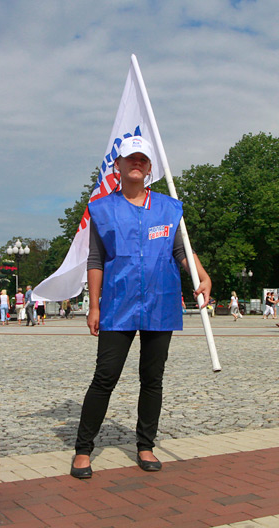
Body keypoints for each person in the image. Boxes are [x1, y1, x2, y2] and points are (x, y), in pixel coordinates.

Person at [71, 136, 211, 479]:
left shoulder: (169, 207)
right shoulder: (102, 208)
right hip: (118, 304)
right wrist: (93, 306)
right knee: (105, 377)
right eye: (130, 158)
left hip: (160, 303)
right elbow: (95, 259)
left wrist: (202, 275)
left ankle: (145, 444)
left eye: (143, 159)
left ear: (150, 168)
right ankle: (83, 449)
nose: (136, 163)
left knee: (153, 378)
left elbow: (181, 251)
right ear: (117, 165)